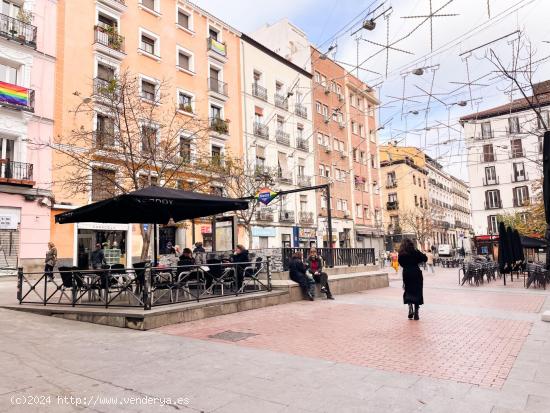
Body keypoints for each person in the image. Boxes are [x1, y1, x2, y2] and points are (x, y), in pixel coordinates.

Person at [398, 238, 427, 320]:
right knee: (417, 291)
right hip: (416, 272)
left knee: (408, 290)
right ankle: (416, 312)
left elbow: (400, 262)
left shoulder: (401, 253)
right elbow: (425, 258)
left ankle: (410, 306)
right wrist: (417, 257)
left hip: (407, 273)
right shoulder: (415, 252)